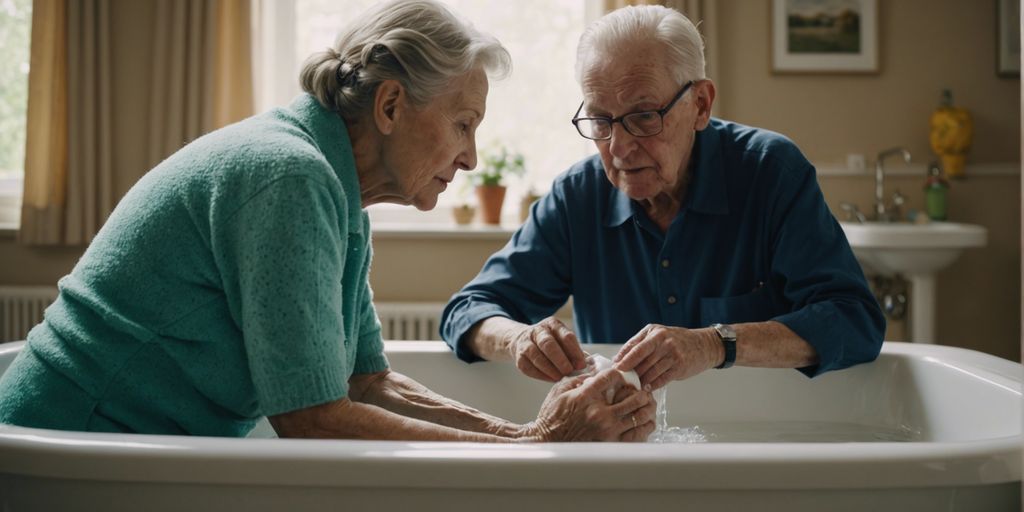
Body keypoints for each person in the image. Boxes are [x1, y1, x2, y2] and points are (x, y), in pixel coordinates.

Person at [0, 0, 655, 442]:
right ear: (391, 105)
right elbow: (312, 417)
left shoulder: (331, 184)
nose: (470, 156)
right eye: (463, 124)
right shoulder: (291, 176)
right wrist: (537, 447)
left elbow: (365, 381)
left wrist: (519, 439)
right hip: (67, 444)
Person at [440, 5, 885, 389]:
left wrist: (715, 344)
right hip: (625, 443)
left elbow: (854, 320)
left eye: (643, 116)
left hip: (756, 435)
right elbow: (468, 310)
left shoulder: (771, 172)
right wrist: (518, 339)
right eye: (600, 121)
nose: (618, 148)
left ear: (701, 105)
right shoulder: (578, 196)